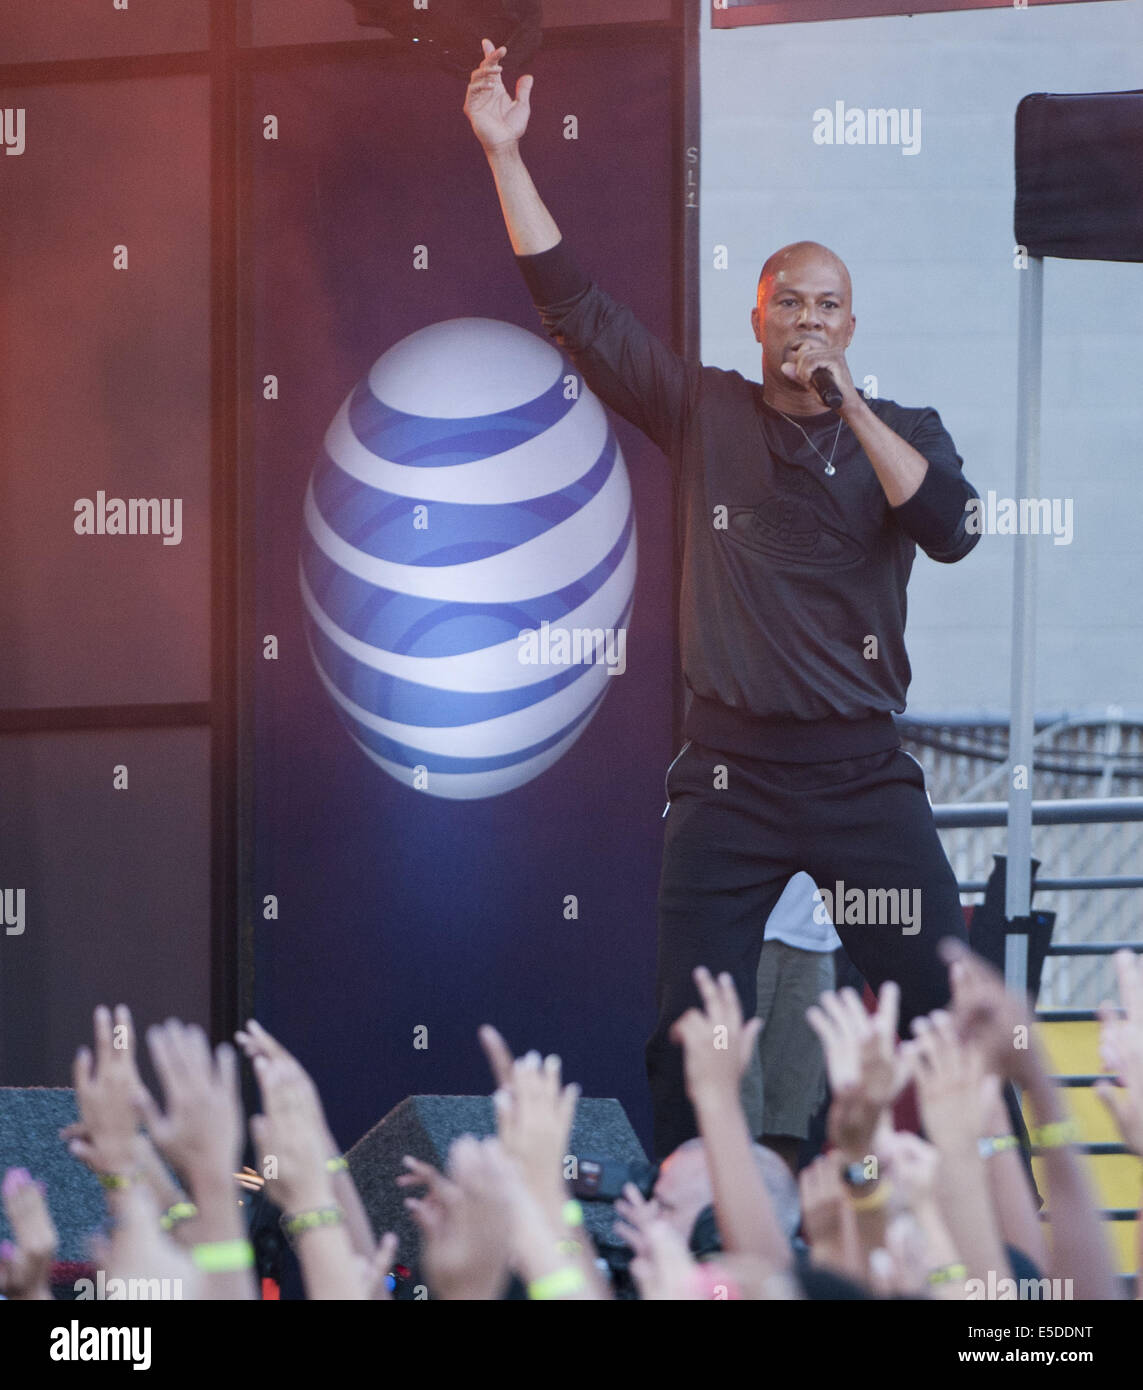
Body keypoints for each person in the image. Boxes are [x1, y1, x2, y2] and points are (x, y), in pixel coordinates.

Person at [463, 40, 980, 1158]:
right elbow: (577, 311)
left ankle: (971, 1235)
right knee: (690, 1031)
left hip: (861, 772)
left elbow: (951, 530)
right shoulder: (705, 413)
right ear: (754, 320)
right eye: (786, 301)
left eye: (828, 306)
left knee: (946, 1011)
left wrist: (850, 409)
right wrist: (506, 152)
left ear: (852, 326)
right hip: (729, 777)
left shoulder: (903, 433)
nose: (806, 319)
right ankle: (698, 1234)